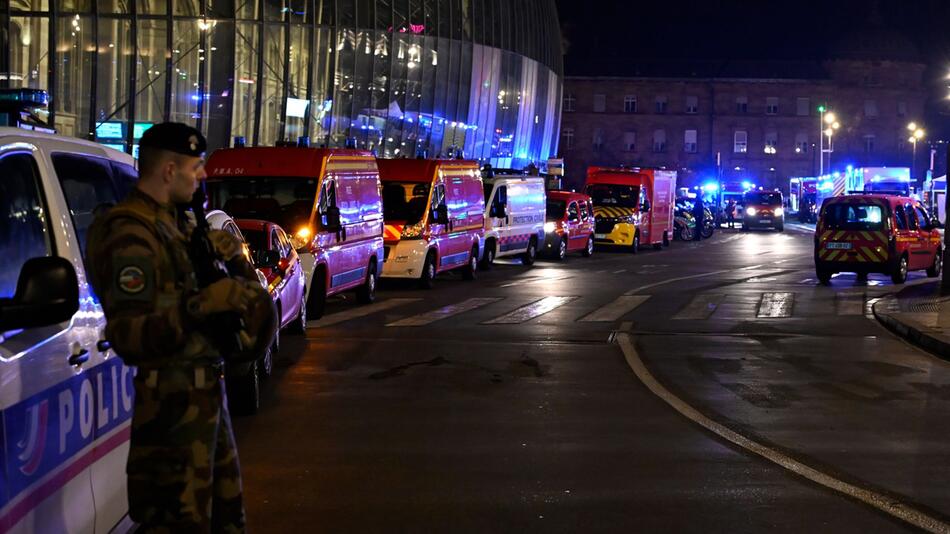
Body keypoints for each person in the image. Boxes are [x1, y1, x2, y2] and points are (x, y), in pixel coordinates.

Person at [86, 122, 273, 533]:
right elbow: (130, 337)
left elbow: (255, 322)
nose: (203, 175)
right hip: (169, 416)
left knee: (226, 520)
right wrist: (203, 304)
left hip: (206, 402)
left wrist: (237, 264)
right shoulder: (129, 234)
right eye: (196, 166)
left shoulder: (181, 229)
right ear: (169, 170)